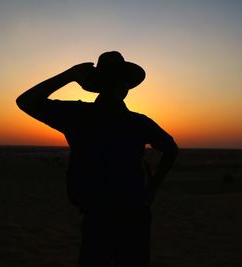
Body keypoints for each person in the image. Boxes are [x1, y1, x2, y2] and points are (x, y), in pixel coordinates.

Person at [16, 51, 178, 267]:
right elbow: (25, 102)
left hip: (122, 213)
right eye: (115, 81)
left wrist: (69, 75)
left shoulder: (84, 116)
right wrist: (153, 189)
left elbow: (171, 149)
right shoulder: (86, 116)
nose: (120, 87)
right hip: (109, 214)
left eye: (120, 81)